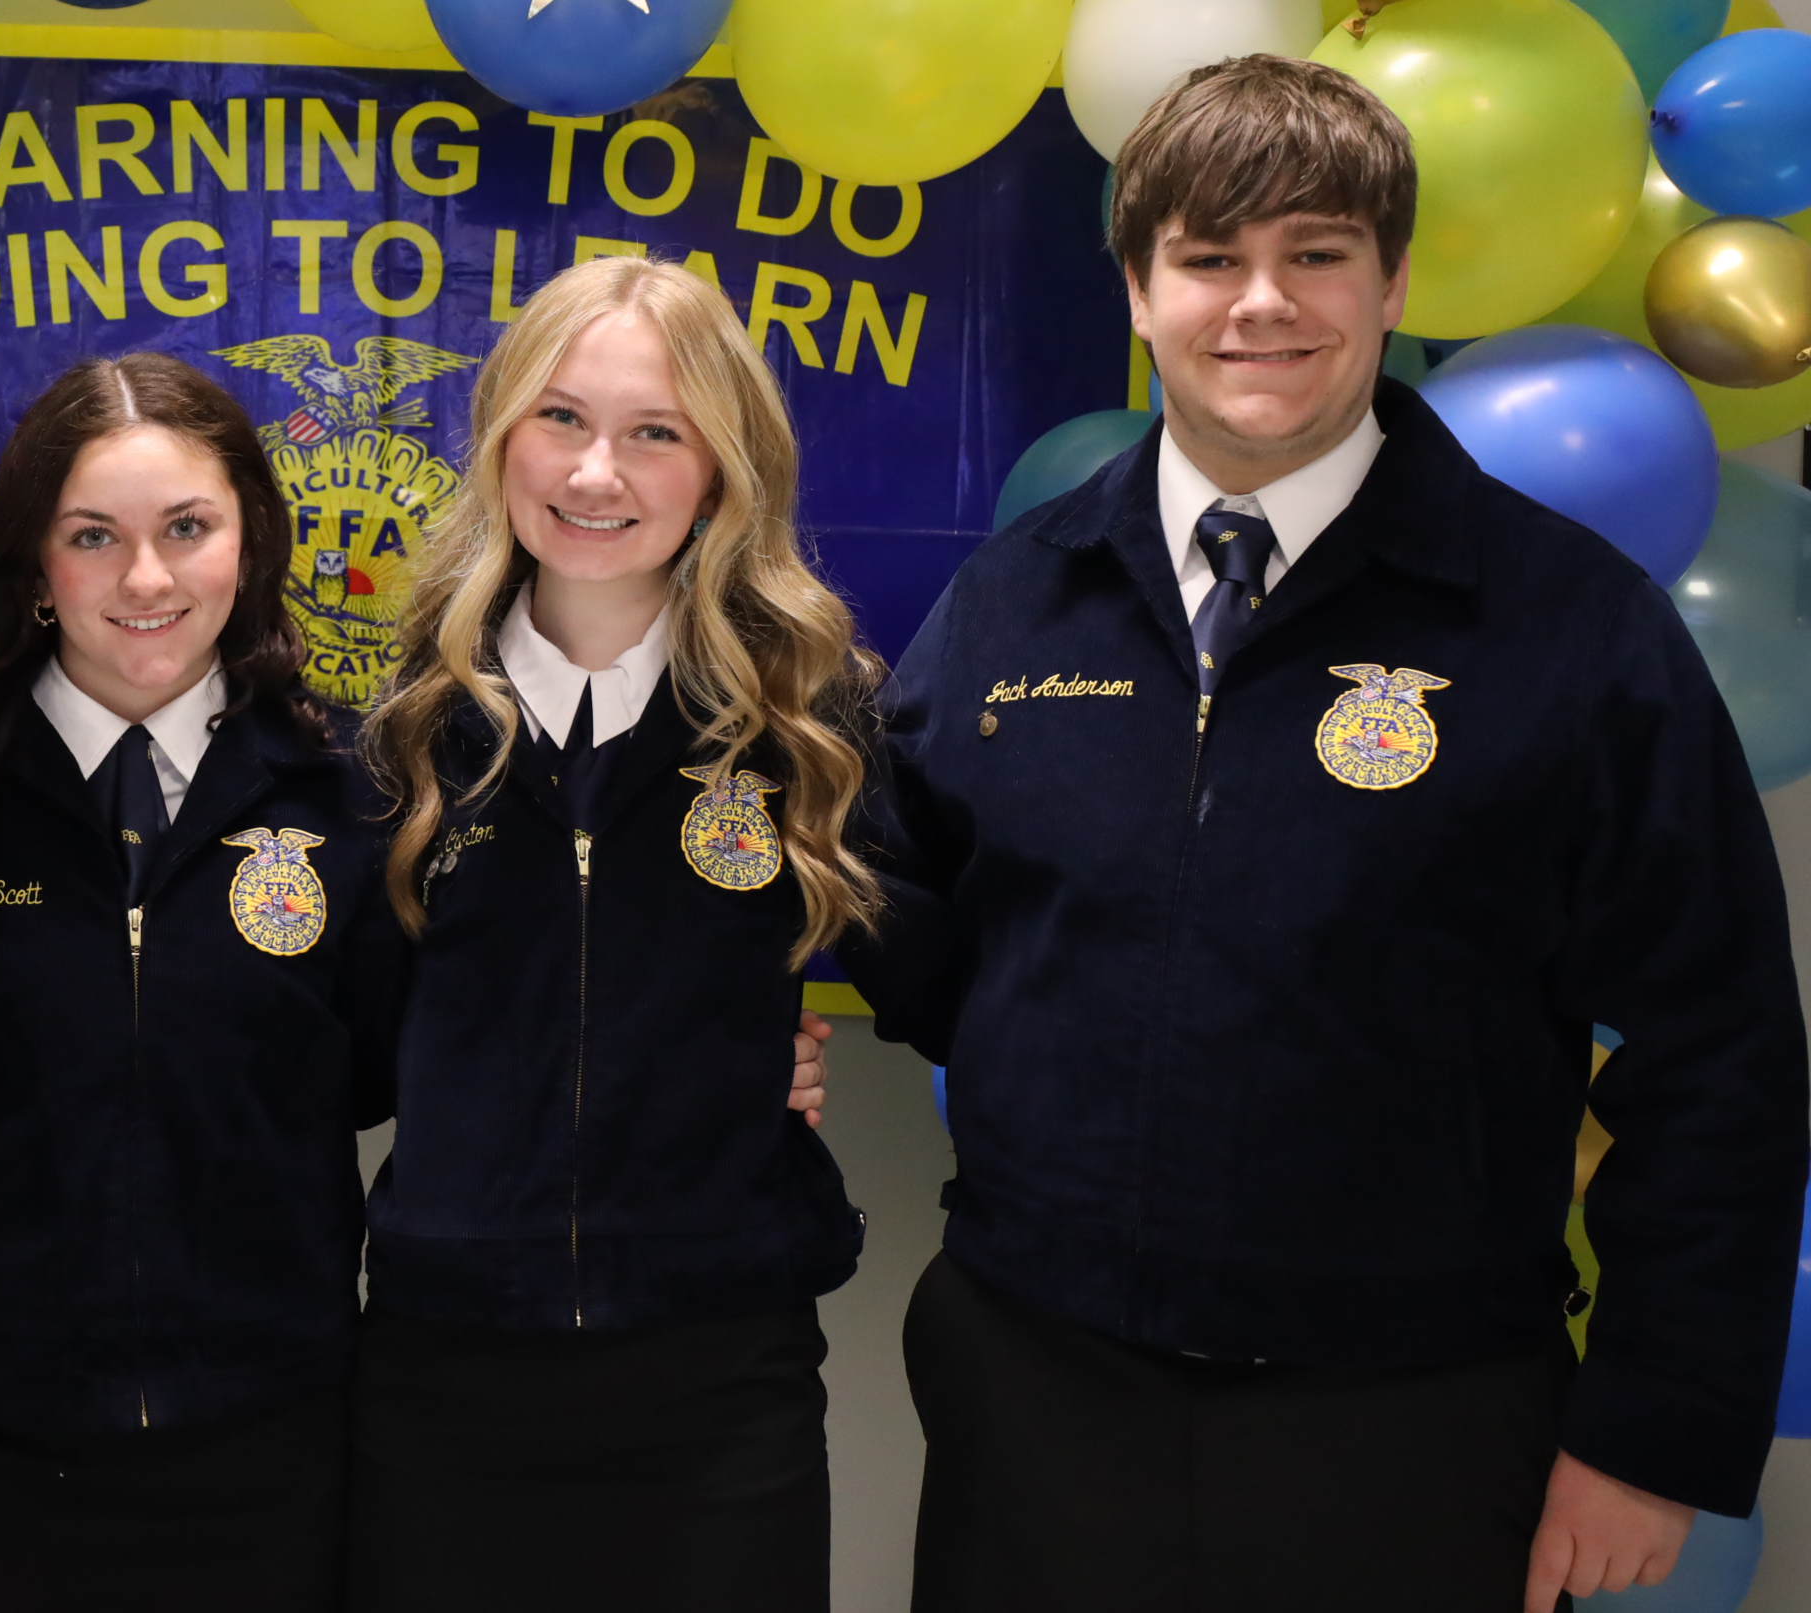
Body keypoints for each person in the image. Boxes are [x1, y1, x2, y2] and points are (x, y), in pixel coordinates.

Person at [842, 55, 1810, 1613]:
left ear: (1392, 278)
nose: (1261, 303)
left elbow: (1724, 1056)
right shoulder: (1019, 597)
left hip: (1417, 1418)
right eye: (1208, 257)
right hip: (1039, 1395)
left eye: (1316, 252)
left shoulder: (1571, 626)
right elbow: (903, 917)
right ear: (1139, 290)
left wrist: (1651, 1430)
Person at [350, 254, 869, 1613]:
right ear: (500, 436)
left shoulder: (808, 722)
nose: (596, 473)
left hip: (719, 1380)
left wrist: (756, 1052)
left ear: (721, 470)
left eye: (654, 433)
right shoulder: (405, 732)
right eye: (562, 419)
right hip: (444, 1373)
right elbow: (338, 1039)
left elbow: (966, 950)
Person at [0, 353, 404, 1610]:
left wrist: (749, 1057)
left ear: (250, 543)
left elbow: (410, 1062)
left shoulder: (350, 795)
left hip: (271, 1426)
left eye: (187, 528)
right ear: (33, 565)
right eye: (92, 534)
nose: (146, 578)